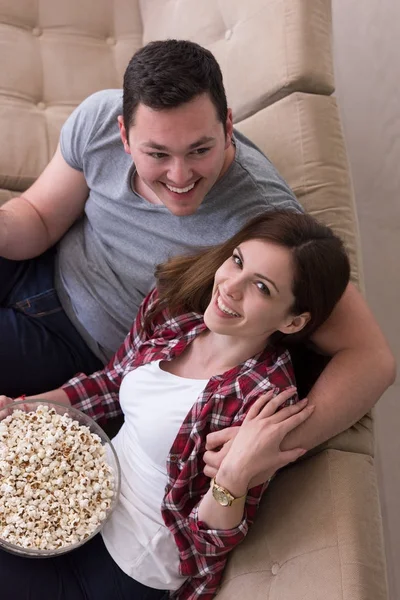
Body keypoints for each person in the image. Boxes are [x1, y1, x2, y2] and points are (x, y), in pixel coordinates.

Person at [0, 41, 395, 460]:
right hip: (40, 265)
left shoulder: (263, 221)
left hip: (79, 346)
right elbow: (40, 218)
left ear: (228, 126)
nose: (180, 175)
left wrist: (269, 446)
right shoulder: (98, 119)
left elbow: (372, 359)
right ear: (124, 135)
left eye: (200, 150)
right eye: (157, 154)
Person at [0, 211, 351, 600]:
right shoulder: (175, 312)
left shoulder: (262, 397)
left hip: (127, 565)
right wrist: (21, 409)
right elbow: (111, 383)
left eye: (262, 288)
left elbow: (209, 544)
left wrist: (232, 478)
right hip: (74, 498)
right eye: (237, 261)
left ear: (292, 322)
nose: (230, 287)